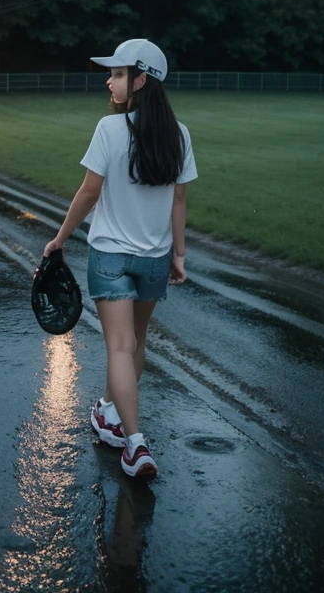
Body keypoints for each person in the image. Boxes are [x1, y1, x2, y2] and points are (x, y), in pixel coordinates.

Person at [43, 39, 197, 478]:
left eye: (117, 73)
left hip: (110, 255)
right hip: (154, 257)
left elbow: (88, 191)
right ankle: (110, 411)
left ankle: (135, 445)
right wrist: (179, 255)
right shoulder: (179, 134)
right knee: (136, 344)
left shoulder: (109, 130)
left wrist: (59, 238)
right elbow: (180, 198)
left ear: (141, 80)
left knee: (118, 346)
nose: (109, 81)